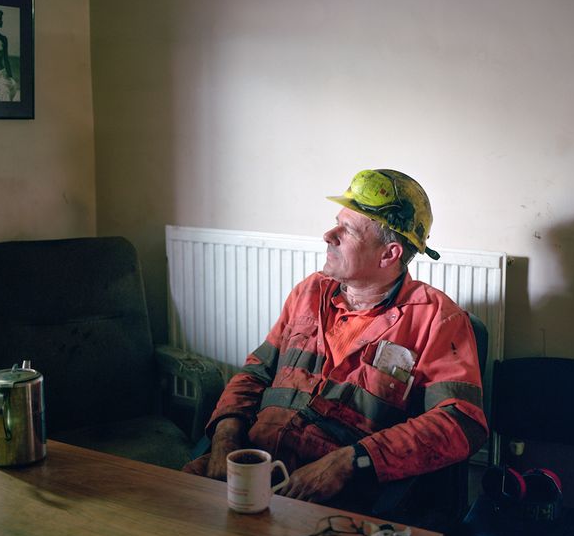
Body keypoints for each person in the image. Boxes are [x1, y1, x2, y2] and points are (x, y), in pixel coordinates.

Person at [183, 169, 488, 510]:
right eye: (336, 222)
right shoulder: (308, 293)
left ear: (389, 254)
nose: (329, 234)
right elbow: (256, 372)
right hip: (247, 466)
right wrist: (225, 435)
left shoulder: (437, 318)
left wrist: (351, 462)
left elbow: (460, 423)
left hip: (333, 501)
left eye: (348, 230)